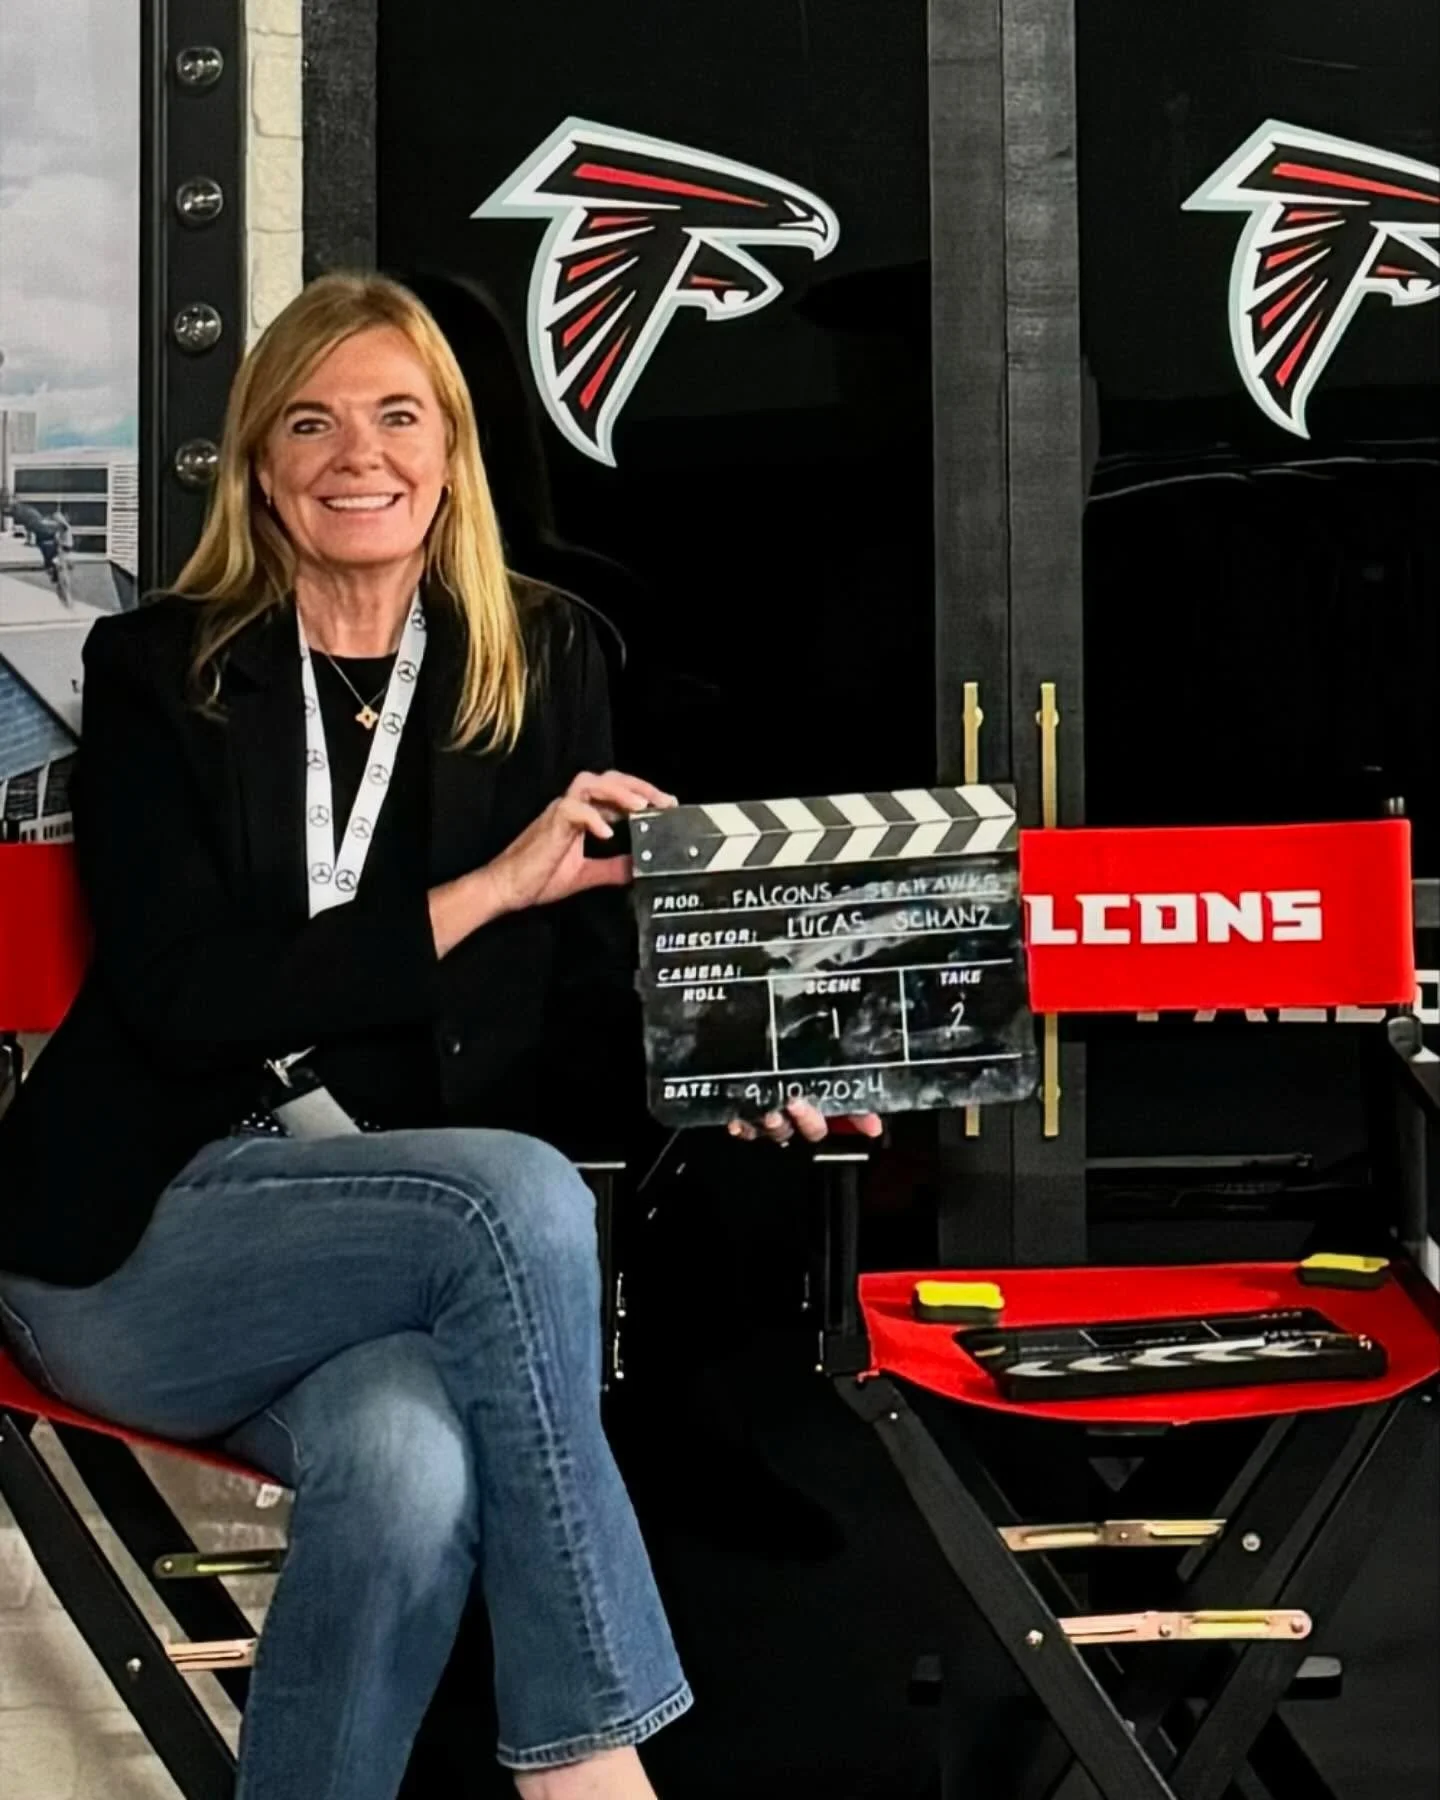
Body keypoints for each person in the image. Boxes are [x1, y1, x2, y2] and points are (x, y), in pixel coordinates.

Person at [0, 272, 877, 1800]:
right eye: (313, 422)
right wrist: (485, 891)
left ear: (453, 452)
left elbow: (599, 987)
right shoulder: (163, 671)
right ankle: (590, 1763)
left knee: (409, 1473)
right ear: (264, 467)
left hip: (393, 1243)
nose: (360, 453)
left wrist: (747, 1079)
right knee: (520, 1196)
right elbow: (182, 994)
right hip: (144, 1239)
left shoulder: (546, 662)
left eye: (399, 414)